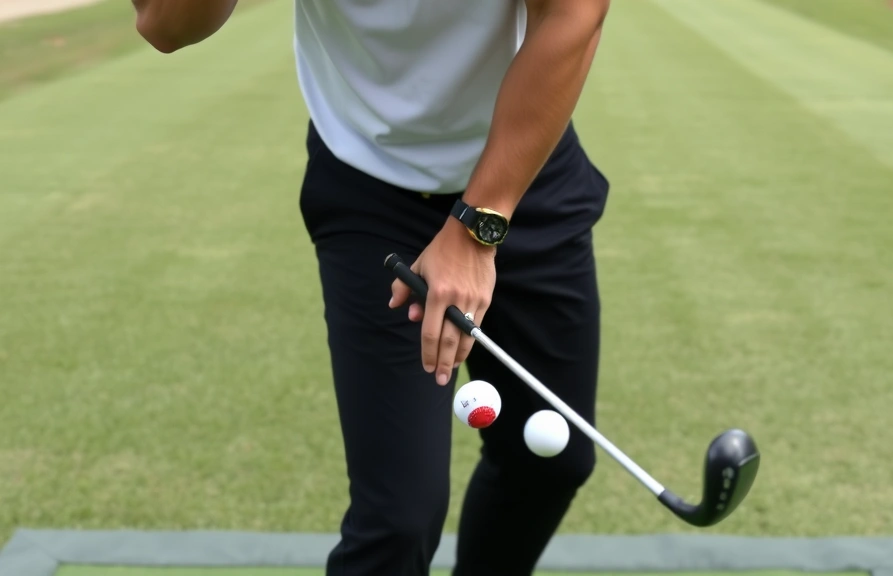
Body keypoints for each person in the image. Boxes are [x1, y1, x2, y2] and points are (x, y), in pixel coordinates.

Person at [130, 1, 612, 574]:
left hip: (520, 166)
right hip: (371, 184)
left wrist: (476, 228)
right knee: (398, 521)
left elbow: (575, 12)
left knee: (551, 463)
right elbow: (166, 24)